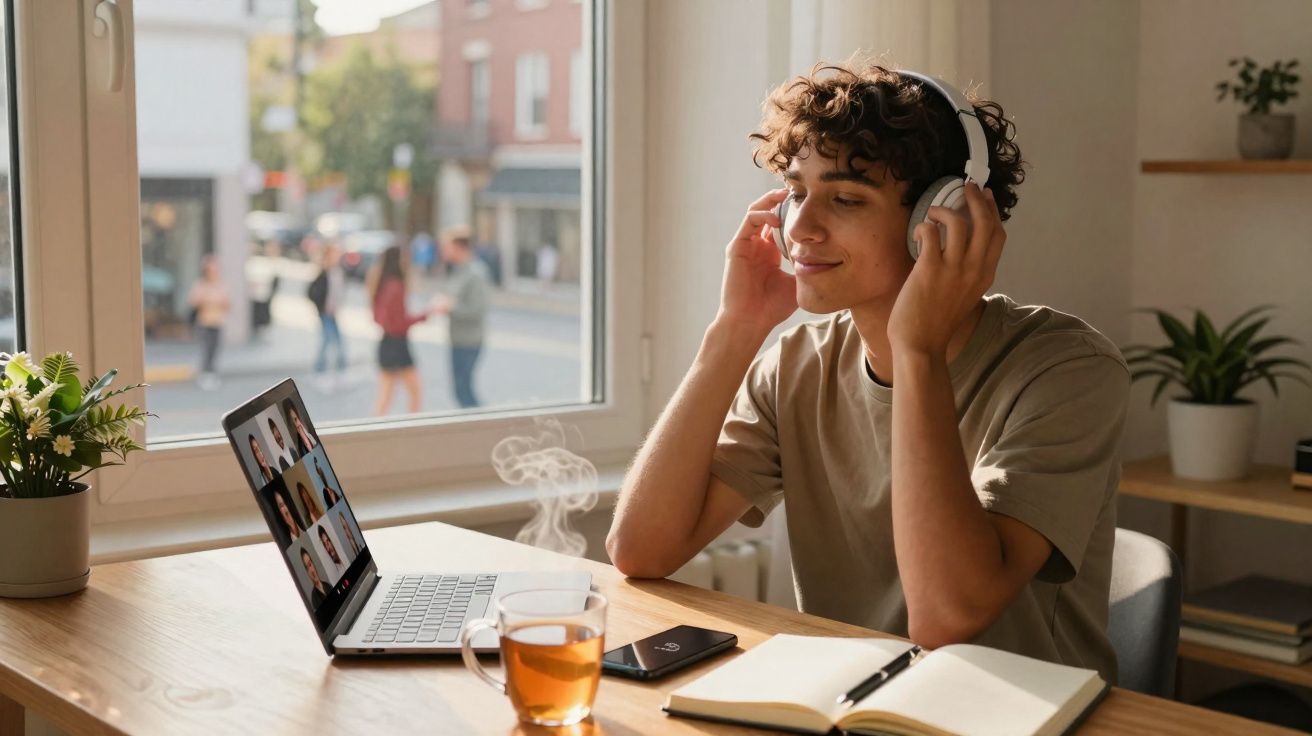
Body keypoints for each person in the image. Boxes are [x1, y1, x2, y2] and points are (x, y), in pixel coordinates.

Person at [605, 61, 1129, 684]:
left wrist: (916, 351)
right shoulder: (796, 365)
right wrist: (735, 330)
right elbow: (641, 550)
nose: (799, 228)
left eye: (846, 199)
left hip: (1020, 712)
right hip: (852, 700)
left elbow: (946, 618)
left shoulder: (1068, 371)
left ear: (945, 216)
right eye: (796, 192)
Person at [368, 245, 437, 415]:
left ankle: (376, 427)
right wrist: (426, 314)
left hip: (388, 342)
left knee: (386, 397)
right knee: (413, 392)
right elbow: (397, 324)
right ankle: (412, 427)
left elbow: (379, 318)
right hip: (397, 344)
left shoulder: (381, 283)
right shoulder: (395, 286)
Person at [435, 228, 491, 408]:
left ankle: (480, 423)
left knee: (464, 390)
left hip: (469, 341)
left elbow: (477, 309)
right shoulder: (459, 270)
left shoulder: (475, 273)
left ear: (459, 247)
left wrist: (450, 307)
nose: (444, 251)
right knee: (460, 389)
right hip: (458, 339)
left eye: (447, 247)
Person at [308, 243, 348, 389]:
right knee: (327, 341)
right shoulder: (324, 272)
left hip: (333, 313)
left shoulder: (338, 271)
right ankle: (320, 371)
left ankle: (340, 371)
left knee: (337, 341)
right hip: (325, 313)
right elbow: (311, 292)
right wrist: (321, 306)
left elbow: (339, 291)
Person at [188, 255, 230, 391]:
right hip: (204, 322)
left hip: (217, 322)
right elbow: (193, 302)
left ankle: (212, 373)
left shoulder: (221, 285)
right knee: (206, 349)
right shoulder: (200, 285)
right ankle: (205, 374)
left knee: (214, 349)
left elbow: (227, 303)